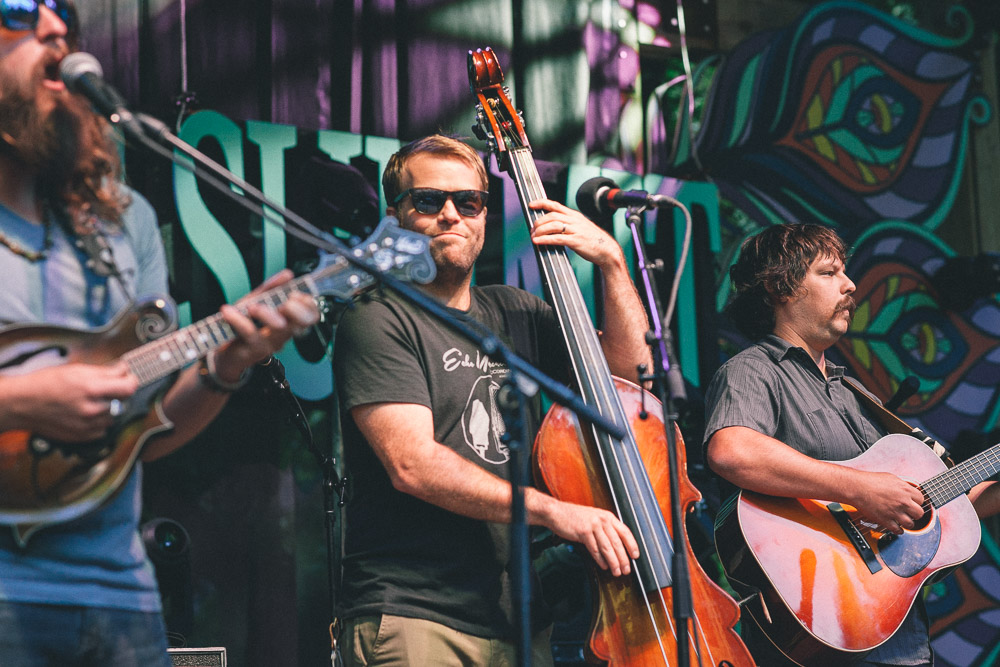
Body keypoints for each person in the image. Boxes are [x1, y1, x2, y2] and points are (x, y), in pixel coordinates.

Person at [0, 3, 319, 665]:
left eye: (64, 18)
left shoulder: (125, 222)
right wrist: (25, 400)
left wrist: (227, 363)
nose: (55, 30)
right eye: (21, 13)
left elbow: (147, 436)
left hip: (122, 599)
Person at [332, 134, 652, 665]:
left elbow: (629, 379)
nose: (450, 215)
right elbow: (412, 464)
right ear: (395, 217)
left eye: (468, 201)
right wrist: (555, 513)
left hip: (518, 617)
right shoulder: (377, 318)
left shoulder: (516, 311)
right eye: (428, 201)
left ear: (483, 215)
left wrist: (612, 264)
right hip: (416, 612)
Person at [703, 222, 1000, 666]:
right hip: (822, 629)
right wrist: (861, 489)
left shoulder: (855, 395)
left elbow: (943, 503)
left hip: (897, 641)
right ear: (780, 288)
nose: (851, 285)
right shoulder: (754, 370)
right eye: (829, 273)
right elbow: (733, 451)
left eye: (845, 271)